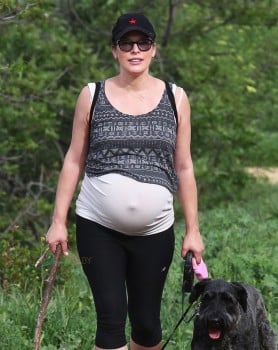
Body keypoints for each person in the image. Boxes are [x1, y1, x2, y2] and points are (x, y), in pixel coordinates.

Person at [46, 12, 204, 350]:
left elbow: (185, 166)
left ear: (153, 49)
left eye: (142, 42)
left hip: (155, 231)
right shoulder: (93, 94)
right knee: (111, 320)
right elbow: (74, 160)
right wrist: (58, 221)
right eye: (126, 43)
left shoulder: (176, 98)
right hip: (97, 226)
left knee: (148, 327)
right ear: (114, 50)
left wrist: (193, 230)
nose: (135, 50)